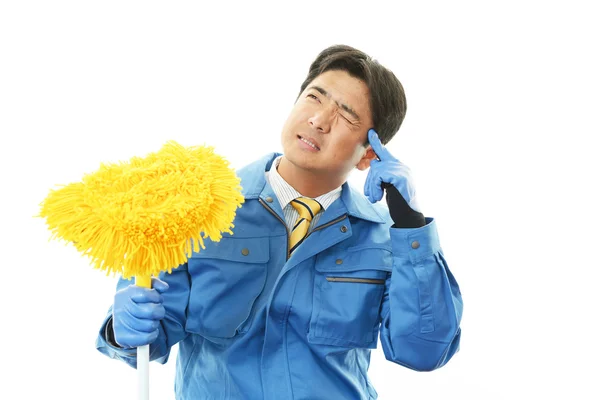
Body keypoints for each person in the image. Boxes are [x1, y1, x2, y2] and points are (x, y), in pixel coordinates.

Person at [96, 44, 463, 399]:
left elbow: (423, 350)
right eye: (314, 98)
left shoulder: (385, 237)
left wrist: (411, 224)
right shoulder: (195, 209)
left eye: (346, 115)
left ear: (369, 153)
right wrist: (122, 329)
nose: (319, 120)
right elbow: (145, 341)